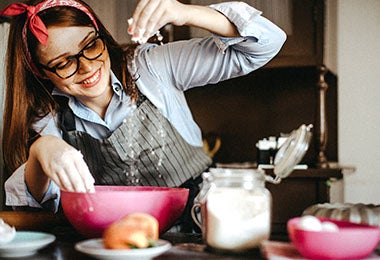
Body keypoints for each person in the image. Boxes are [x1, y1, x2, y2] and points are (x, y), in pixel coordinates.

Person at [1, 0, 286, 231]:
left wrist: (184, 12)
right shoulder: (48, 115)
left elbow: (266, 43)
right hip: (119, 239)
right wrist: (41, 150)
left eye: (90, 45)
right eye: (64, 63)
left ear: (100, 34)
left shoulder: (150, 67)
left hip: (198, 225)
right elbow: (35, 206)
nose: (87, 67)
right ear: (42, 72)